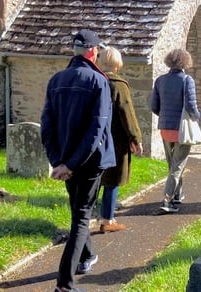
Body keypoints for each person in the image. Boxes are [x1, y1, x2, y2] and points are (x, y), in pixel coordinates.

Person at [41, 29, 115, 292]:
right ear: (93, 51)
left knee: (78, 213)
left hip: (66, 163)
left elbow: (46, 126)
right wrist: (69, 164)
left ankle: (86, 256)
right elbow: (97, 129)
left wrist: (58, 162)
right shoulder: (99, 81)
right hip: (88, 163)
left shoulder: (56, 79)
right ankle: (64, 285)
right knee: (82, 217)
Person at [96, 46, 143, 233]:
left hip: (94, 138)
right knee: (112, 180)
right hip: (115, 139)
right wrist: (136, 138)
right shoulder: (118, 84)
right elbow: (127, 113)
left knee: (95, 179)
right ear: (117, 64)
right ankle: (107, 219)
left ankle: (84, 217)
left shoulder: (94, 80)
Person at [150, 48, 200, 213]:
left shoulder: (160, 80)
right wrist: (197, 118)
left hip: (165, 127)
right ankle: (167, 200)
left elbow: (154, 107)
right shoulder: (187, 80)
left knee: (172, 164)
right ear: (186, 62)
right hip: (182, 128)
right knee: (178, 165)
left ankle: (178, 194)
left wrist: (164, 116)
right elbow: (191, 106)